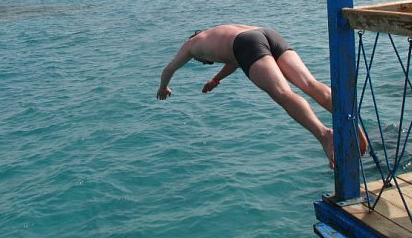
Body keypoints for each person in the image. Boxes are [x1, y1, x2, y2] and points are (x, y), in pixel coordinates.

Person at [156, 24, 367, 169]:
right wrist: (216, 79)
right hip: (266, 33)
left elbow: (169, 68)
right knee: (311, 84)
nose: (202, 62)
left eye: (203, 62)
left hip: (246, 44)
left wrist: (163, 87)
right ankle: (351, 122)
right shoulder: (220, 31)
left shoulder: (191, 45)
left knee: (283, 93)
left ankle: (324, 135)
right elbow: (237, 58)